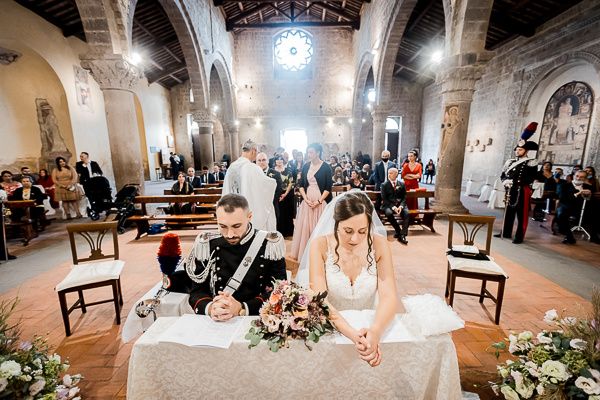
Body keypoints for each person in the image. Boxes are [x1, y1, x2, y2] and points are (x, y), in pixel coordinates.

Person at [305, 191, 398, 367]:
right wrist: (353, 334)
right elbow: (320, 300)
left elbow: (389, 295)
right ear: (336, 223)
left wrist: (375, 332)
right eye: (348, 231)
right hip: (333, 328)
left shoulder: (379, 244)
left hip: (372, 322)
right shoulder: (320, 245)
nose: (355, 238)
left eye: (362, 231)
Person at [179, 194, 287, 319]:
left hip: (256, 317)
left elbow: (280, 291)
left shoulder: (270, 244)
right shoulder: (207, 244)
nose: (230, 235)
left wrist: (242, 308)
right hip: (217, 318)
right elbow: (197, 290)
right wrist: (210, 308)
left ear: (249, 217)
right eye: (223, 226)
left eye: (236, 226)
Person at [495, 124, 539, 244]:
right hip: (510, 190)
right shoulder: (510, 162)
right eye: (517, 149)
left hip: (522, 190)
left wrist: (514, 181)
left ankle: (519, 236)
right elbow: (503, 174)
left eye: (520, 150)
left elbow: (531, 178)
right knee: (509, 212)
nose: (518, 151)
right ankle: (506, 232)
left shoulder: (531, 162)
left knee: (522, 214)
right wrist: (505, 181)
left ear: (526, 151)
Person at [222, 140, 277, 231]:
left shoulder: (231, 167)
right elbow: (265, 186)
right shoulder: (252, 167)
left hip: (232, 208)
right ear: (253, 151)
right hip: (246, 209)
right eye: (257, 152)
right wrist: (273, 181)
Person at [290, 143, 333, 260]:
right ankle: (305, 253)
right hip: (308, 201)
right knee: (305, 228)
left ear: (318, 153)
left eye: (311, 152)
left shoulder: (326, 167)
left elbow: (328, 188)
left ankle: (319, 254)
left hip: (321, 202)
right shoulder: (305, 166)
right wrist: (306, 199)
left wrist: (319, 201)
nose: (309, 155)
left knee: (319, 228)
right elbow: (301, 185)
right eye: (308, 152)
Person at [555, 170, 594, 244]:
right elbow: (563, 199)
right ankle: (569, 236)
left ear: (585, 179)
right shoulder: (565, 185)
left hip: (582, 208)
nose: (578, 178)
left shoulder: (588, 187)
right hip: (566, 206)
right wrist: (579, 193)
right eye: (577, 176)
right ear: (573, 176)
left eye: (582, 177)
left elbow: (590, 201)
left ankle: (594, 237)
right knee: (561, 213)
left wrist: (589, 196)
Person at [380, 168, 409, 244]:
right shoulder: (384, 185)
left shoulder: (401, 184)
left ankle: (402, 235)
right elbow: (384, 198)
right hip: (388, 205)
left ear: (396, 174)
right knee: (389, 213)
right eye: (388, 173)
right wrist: (393, 207)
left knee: (406, 213)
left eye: (391, 173)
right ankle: (398, 230)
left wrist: (401, 206)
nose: (389, 175)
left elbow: (404, 197)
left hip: (400, 205)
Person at [256, 152, 283, 226]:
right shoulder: (253, 174)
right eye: (259, 160)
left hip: (272, 205)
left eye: (264, 160)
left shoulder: (276, 174)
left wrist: (268, 200)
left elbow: (279, 190)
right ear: (256, 162)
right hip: (257, 207)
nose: (261, 162)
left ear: (268, 161)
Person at [273, 156, 295, 237]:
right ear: (275, 161)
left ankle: (288, 232)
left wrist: (285, 193)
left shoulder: (288, 170)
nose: (279, 161)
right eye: (277, 159)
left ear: (283, 161)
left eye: (281, 159)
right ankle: (279, 231)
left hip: (287, 194)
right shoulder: (272, 171)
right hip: (276, 194)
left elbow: (291, 182)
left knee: (287, 213)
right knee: (278, 213)